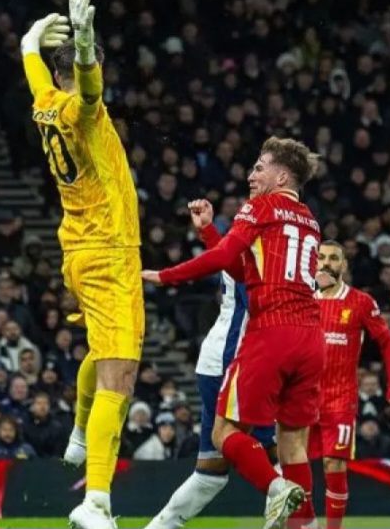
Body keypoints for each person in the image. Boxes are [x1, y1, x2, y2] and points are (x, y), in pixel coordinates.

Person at [142, 137, 326, 529]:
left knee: (224, 432)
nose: (251, 174)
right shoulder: (310, 219)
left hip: (272, 332)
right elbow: (246, 272)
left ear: (281, 175)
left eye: (260, 167)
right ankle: (305, 524)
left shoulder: (261, 206)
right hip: (312, 338)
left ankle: (276, 489)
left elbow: (227, 259)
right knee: (293, 444)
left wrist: (166, 276)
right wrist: (210, 233)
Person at [19, 0, 144, 529]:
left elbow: (37, 74)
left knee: (105, 350)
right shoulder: (80, 111)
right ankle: (95, 501)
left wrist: (28, 43)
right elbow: (91, 93)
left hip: (84, 245)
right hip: (107, 250)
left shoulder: (45, 103)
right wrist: (88, 50)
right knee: (121, 374)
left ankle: (77, 430)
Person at [145, 199, 278, 529]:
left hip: (214, 363)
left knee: (210, 472)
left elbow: (227, 257)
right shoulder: (263, 265)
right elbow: (237, 271)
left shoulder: (248, 257)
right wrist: (166, 275)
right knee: (279, 453)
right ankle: (290, 516)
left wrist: (207, 230)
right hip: (234, 364)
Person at [312, 241, 390, 529]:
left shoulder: (361, 302)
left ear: (344, 265)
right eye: (322, 258)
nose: (327, 263)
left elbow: (387, 342)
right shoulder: (302, 299)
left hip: (340, 398)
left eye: (334, 258)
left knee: (334, 466)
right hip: (302, 398)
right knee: (295, 468)